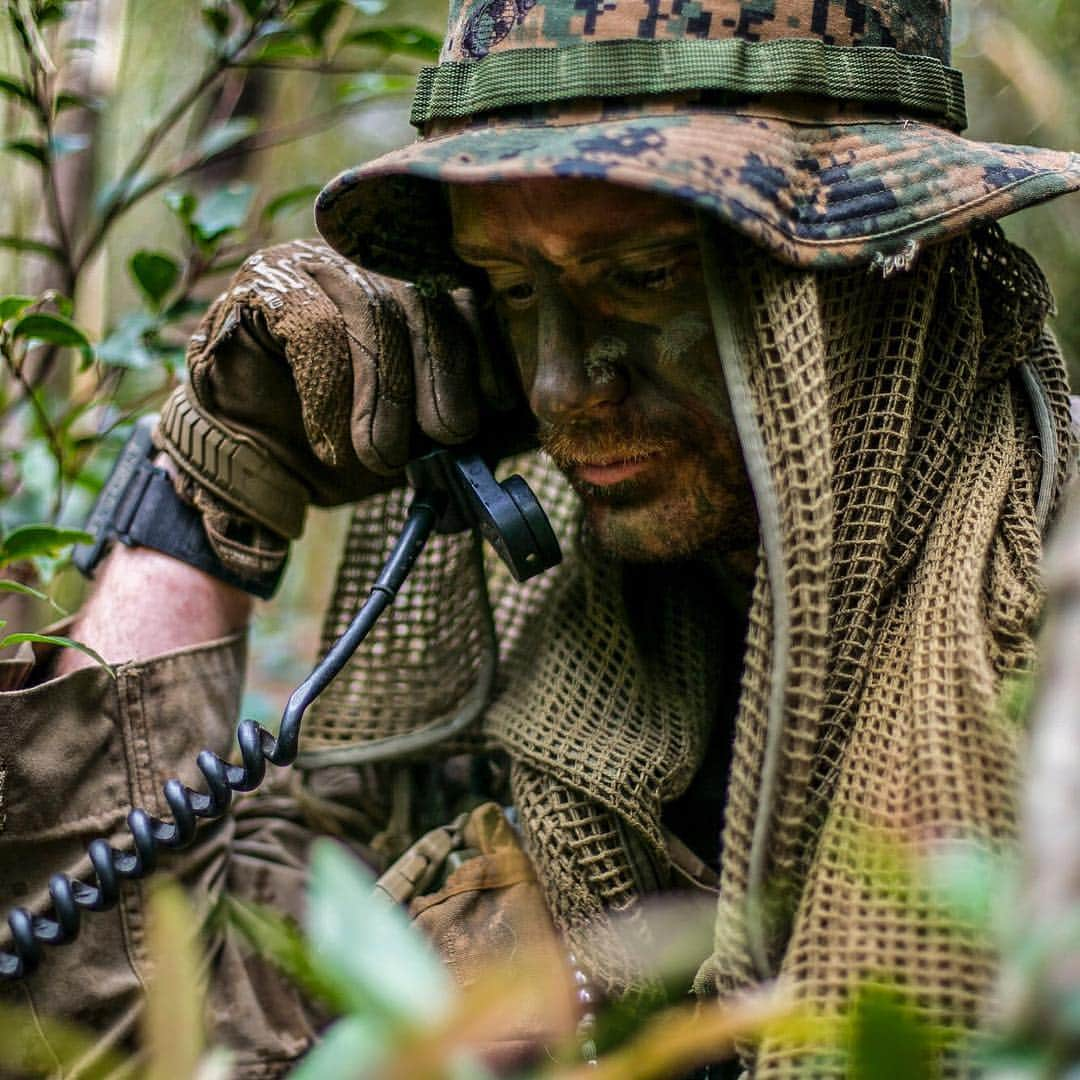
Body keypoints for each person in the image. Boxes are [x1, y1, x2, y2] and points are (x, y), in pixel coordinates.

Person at [2, 0, 1078, 1076]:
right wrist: (211, 483)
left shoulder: (1043, 646)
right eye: (513, 292)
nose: (562, 385)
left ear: (867, 272)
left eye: (644, 276)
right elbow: (121, 1032)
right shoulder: (517, 645)